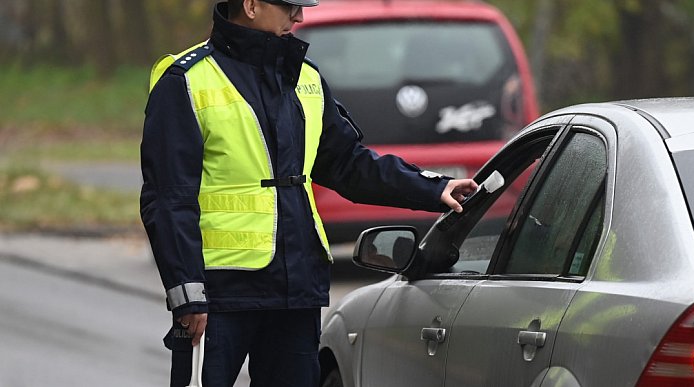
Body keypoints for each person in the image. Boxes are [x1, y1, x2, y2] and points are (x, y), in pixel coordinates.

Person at [139, 0, 478, 386]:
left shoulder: (305, 77)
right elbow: (167, 199)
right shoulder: (186, 79)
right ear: (250, 5)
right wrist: (187, 292)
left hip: (296, 287)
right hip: (219, 293)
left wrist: (434, 188)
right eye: (289, 6)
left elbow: (348, 164)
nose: (299, 16)